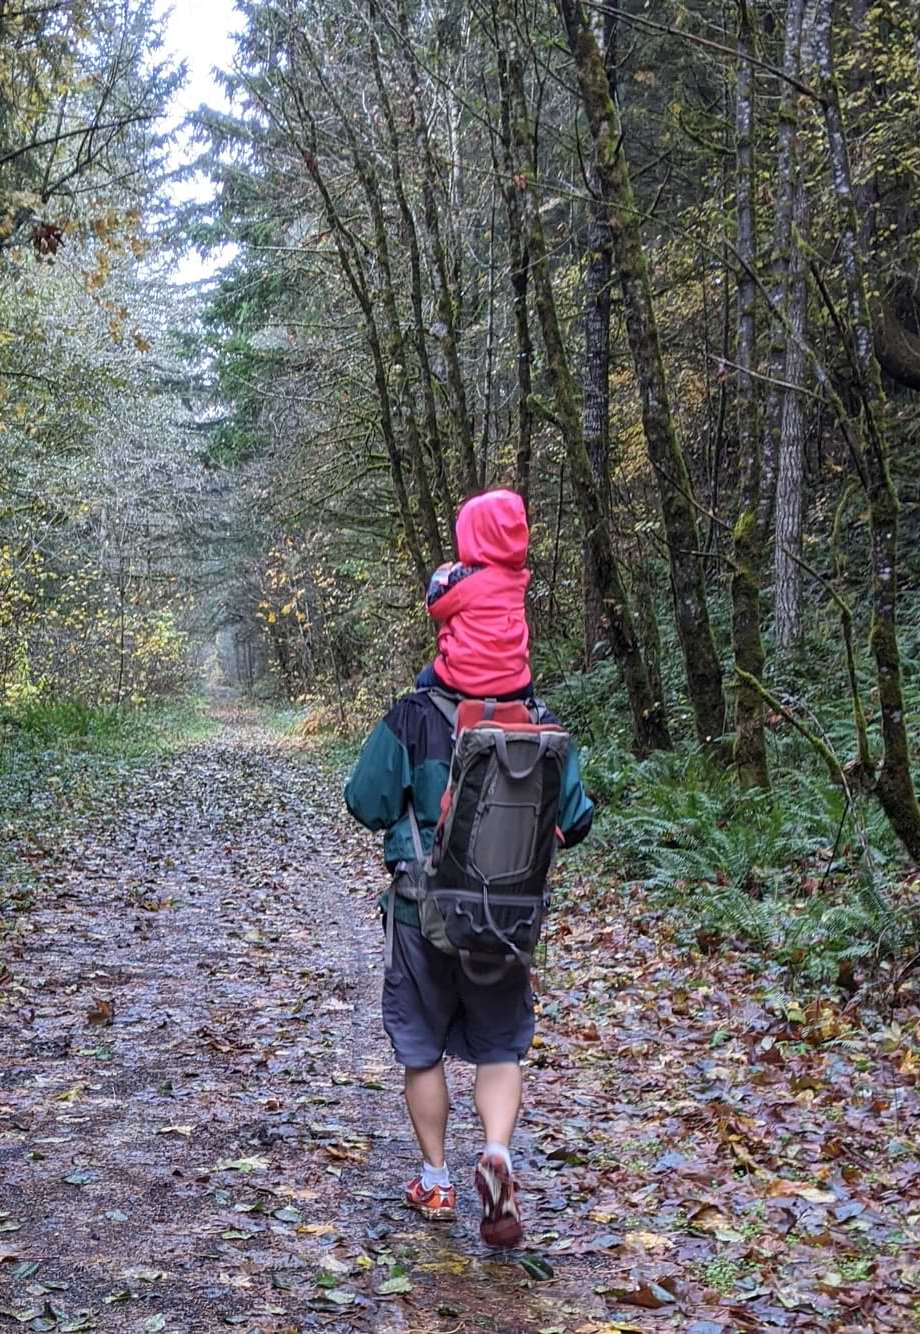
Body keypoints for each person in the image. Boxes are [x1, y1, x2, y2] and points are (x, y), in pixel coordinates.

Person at [344, 493, 593, 1250]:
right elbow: (576, 822)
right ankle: (496, 1152)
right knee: (499, 1047)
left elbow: (365, 800)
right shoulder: (540, 722)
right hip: (509, 917)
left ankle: (437, 1178)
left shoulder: (414, 716)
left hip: (425, 914)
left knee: (420, 1047)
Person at [417, 490, 533, 700]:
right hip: (517, 682)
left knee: (422, 682)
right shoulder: (518, 578)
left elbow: (434, 604)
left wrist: (443, 572)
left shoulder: (464, 578)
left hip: (465, 680)